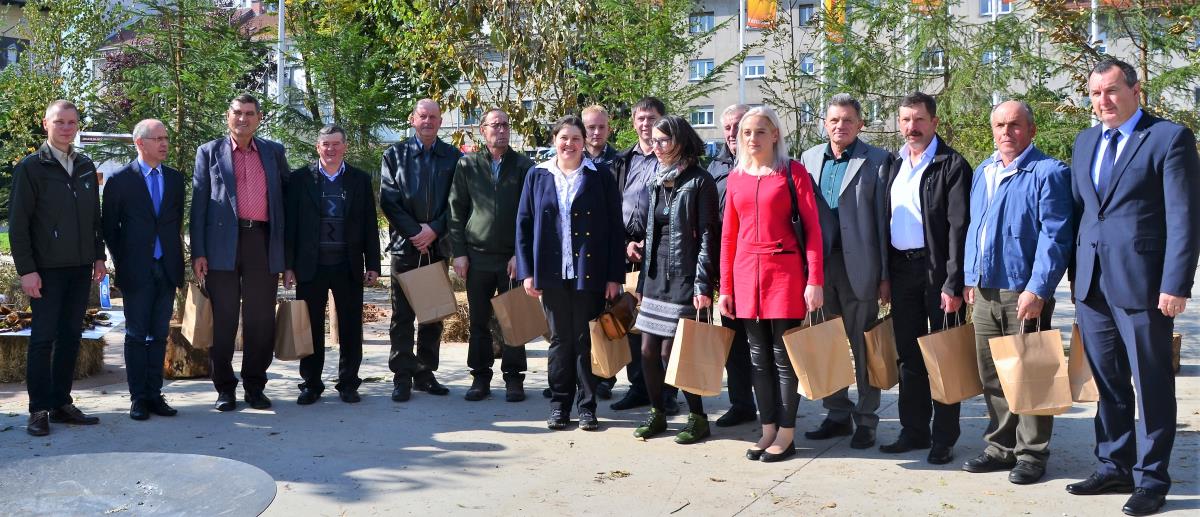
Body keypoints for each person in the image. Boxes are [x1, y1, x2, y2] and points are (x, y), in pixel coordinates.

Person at [1065, 59, 1200, 517]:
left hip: (1144, 286)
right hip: (1092, 285)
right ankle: (1113, 465)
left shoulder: (1168, 138)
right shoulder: (1085, 142)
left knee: (1151, 384)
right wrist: (1075, 276)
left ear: (1135, 90)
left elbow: (1184, 218)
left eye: (1111, 90)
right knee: (1108, 384)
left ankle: (1152, 480)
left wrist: (1176, 283)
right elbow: (1083, 213)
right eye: (1095, 93)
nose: (1102, 100)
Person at [961, 100, 1072, 484]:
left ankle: (1032, 454)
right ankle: (1000, 447)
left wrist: (1038, 288)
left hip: (1023, 292)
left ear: (1032, 130)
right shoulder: (984, 170)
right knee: (993, 374)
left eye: (1015, 125)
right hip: (985, 289)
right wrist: (970, 276)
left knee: (1031, 372)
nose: (1006, 132)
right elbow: (976, 227)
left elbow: (1055, 236)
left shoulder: (1048, 172)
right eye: (1000, 125)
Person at [718, 106, 824, 462]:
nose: (752, 138)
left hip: (785, 274)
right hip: (746, 274)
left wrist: (815, 280)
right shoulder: (736, 177)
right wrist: (726, 288)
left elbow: (813, 230)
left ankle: (787, 434)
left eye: (760, 131)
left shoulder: (792, 172)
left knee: (783, 357)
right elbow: (728, 237)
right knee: (757, 358)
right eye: (746, 132)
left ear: (775, 134)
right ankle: (767, 430)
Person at [880, 92, 972, 465]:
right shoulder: (893, 164)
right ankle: (914, 430)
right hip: (902, 271)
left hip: (938, 275)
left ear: (934, 122)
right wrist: (885, 276)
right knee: (909, 355)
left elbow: (959, 228)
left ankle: (944, 437)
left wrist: (953, 282)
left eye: (919, 119)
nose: (911, 127)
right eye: (905, 120)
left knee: (944, 356)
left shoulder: (952, 164)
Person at [516, 116, 623, 431]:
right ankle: (559, 406)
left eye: (576, 138)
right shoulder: (537, 175)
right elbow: (523, 224)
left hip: (588, 272)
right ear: (554, 140)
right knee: (560, 340)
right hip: (551, 272)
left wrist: (614, 276)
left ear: (584, 142)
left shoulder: (600, 176)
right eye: (564, 138)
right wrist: (527, 271)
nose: (570, 144)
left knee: (584, 339)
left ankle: (587, 407)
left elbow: (615, 229)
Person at [798, 94, 894, 450]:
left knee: (863, 346)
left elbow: (884, 222)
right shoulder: (808, 158)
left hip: (861, 268)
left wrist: (885, 275)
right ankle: (836, 413)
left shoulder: (878, 160)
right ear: (825, 124)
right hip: (820, 269)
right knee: (827, 344)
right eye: (835, 120)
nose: (841, 126)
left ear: (860, 124)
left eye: (848, 120)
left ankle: (866, 419)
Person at [10, 100, 108, 436]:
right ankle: (38, 409)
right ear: (45, 124)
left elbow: (94, 218)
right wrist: (27, 270)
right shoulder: (31, 168)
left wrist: (98, 256)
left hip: (80, 268)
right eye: (59, 122)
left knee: (70, 337)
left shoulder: (84, 165)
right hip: (46, 270)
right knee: (43, 339)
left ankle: (61, 403)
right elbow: (18, 225)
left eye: (72, 122)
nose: (66, 128)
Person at [191, 93, 290, 412]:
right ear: (228, 116)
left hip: (262, 242)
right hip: (221, 246)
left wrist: (287, 257)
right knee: (224, 319)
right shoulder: (208, 152)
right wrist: (198, 252)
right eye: (237, 113)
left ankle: (255, 385)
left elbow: (286, 204)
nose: (243, 118)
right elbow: (199, 205)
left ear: (259, 118)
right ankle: (224, 388)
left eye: (249, 113)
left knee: (261, 319)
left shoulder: (274, 152)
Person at [628, 115, 720, 444]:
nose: (656, 146)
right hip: (656, 275)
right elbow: (653, 232)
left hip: (685, 276)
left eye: (663, 141)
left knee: (675, 352)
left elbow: (708, 236)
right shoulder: (658, 179)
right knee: (647, 351)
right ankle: (657, 413)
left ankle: (698, 416)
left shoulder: (700, 181)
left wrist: (703, 284)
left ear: (680, 141)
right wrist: (642, 279)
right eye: (653, 141)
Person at [283, 125, 381, 406]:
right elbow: (290, 225)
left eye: (336, 144)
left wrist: (373, 263)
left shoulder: (359, 179)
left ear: (345, 147)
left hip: (347, 264)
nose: (331, 149)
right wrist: (288, 265)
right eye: (326, 144)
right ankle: (311, 384)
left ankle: (348, 383)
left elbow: (369, 224)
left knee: (351, 327)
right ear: (318, 147)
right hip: (310, 265)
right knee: (310, 327)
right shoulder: (300, 179)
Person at [101, 119, 185, 421]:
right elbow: (109, 228)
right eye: (157, 139)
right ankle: (138, 398)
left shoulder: (175, 179)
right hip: (137, 269)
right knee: (136, 335)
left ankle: (154, 394)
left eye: (166, 138)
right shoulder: (121, 180)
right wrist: (124, 261)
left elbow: (175, 221)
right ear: (140, 143)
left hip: (167, 268)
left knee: (159, 334)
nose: (164, 144)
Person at [449, 108, 535, 403]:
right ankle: (480, 377)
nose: (501, 130)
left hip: (511, 259)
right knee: (479, 322)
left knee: (514, 320)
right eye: (495, 125)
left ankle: (514, 379)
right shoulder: (468, 165)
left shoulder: (524, 166)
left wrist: (521, 255)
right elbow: (456, 211)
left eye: (505, 125)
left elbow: (531, 215)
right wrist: (459, 253)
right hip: (477, 257)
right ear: (482, 130)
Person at [379, 98, 463, 402]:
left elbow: (457, 201)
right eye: (422, 116)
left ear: (440, 121)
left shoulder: (453, 157)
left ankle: (425, 374)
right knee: (402, 316)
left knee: (432, 314)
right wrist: (415, 232)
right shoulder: (394, 155)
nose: (428, 121)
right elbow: (389, 200)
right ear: (413, 119)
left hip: (436, 246)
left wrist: (434, 229)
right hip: (406, 246)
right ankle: (402, 375)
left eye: (433, 117)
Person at [608, 97, 678, 414]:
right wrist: (625, 243)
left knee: (664, 326)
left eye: (652, 118)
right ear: (633, 122)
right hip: (627, 252)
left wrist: (649, 243)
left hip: (661, 254)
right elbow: (612, 208)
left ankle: (668, 393)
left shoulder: (673, 160)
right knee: (632, 321)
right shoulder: (623, 161)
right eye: (641, 118)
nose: (646, 124)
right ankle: (639, 387)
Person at [707, 103, 758, 428]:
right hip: (728, 271)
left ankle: (775, 406)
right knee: (734, 341)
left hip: (761, 268)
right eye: (727, 127)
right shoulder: (715, 168)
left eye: (737, 125)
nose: (732, 132)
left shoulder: (769, 164)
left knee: (765, 342)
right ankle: (741, 404)